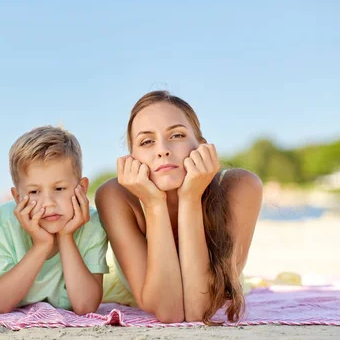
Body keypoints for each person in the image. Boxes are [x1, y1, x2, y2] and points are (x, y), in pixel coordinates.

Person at [97, 91, 263, 324]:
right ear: (132, 159)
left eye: (176, 135)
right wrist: (154, 204)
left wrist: (191, 198)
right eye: (147, 141)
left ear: (202, 146)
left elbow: (199, 310)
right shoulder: (114, 196)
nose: (162, 150)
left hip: (207, 290)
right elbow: (170, 311)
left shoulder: (240, 187)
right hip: (141, 292)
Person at [0, 126, 109, 315]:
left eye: (59, 188)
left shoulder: (92, 224)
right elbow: (0, 305)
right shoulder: (4, 220)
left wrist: (66, 236)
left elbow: (85, 307)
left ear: (82, 188)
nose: (49, 203)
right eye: (34, 192)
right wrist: (41, 245)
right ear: (17, 197)